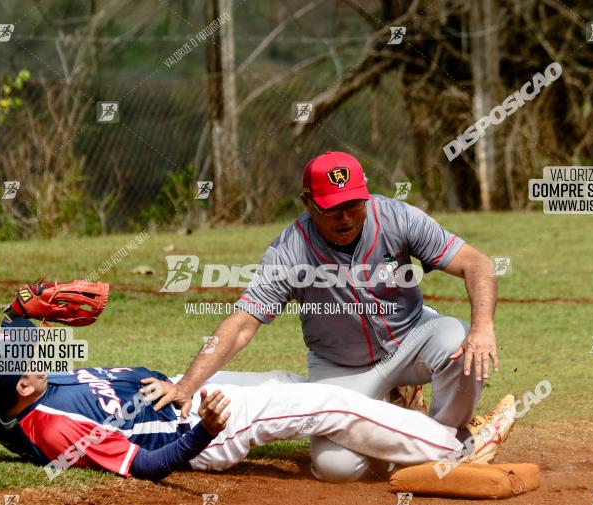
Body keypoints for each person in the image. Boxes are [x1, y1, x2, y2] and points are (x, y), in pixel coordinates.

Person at [152, 151, 501, 482]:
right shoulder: (291, 249)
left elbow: (476, 263)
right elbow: (243, 322)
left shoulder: (397, 217)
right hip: (341, 368)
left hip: (412, 339)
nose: (345, 217)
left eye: (353, 204)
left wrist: (484, 328)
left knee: (459, 339)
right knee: (337, 468)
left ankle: (450, 436)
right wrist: (187, 385)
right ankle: (406, 420)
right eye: (333, 208)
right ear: (308, 204)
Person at [0, 319, 515, 482]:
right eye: (28, 352)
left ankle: (397, 416)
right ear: (21, 387)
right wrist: (204, 427)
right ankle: (456, 444)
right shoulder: (59, 431)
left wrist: (17, 309)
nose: (38, 345)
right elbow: (149, 467)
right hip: (204, 428)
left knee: (297, 386)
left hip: (182, 390)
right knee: (331, 407)